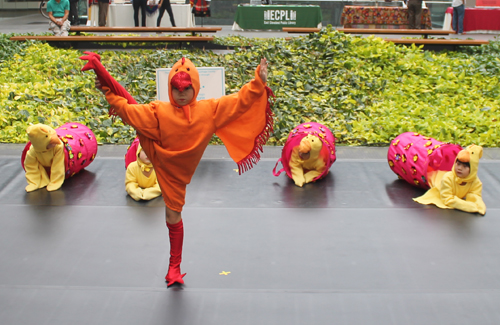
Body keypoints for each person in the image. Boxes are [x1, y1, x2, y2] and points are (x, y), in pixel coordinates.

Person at [80, 51, 273, 286]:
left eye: (186, 89)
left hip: (179, 172)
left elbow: (239, 101)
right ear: (170, 90)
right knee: (172, 215)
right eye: (176, 89)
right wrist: (108, 89)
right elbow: (129, 111)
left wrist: (257, 82)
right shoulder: (158, 111)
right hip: (159, 157)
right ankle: (174, 267)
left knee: (172, 215)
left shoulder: (210, 110)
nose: (181, 94)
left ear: (196, 89)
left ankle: (174, 266)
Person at [413, 145, 486, 215]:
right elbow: (447, 199)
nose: (460, 168)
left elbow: (475, 196)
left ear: (472, 169)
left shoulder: (475, 182)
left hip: (445, 177)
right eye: (458, 164)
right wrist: (468, 206)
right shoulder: (447, 178)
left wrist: (479, 207)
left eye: (464, 166)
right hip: (435, 178)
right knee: (429, 173)